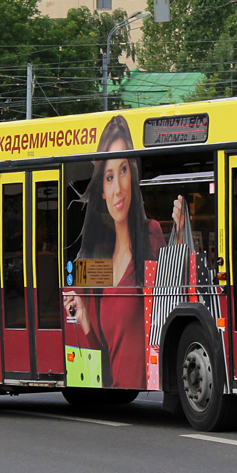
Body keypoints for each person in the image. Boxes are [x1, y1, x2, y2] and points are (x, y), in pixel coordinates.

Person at [62, 115, 183, 388]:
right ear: (102, 190)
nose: (118, 188)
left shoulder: (151, 234)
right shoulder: (93, 263)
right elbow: (98, 359)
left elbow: (171, 297)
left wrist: (179, 236)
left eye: (124, 170)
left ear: (133, 175)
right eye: (109, 176)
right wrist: (83, 319)